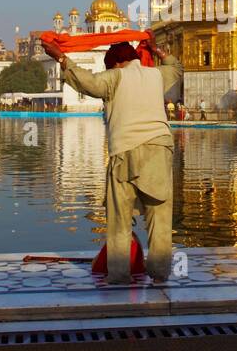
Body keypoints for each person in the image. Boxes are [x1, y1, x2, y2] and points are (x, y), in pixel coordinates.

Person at [42, 35, 182, 283]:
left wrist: (62, 58)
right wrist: (157, 49)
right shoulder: (157, 75)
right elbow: (176, 68)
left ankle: (119, 276)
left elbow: (88, 83)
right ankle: (160, 274)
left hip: (125, 152)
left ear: (116, 63)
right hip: (159, 151)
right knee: (159, 218)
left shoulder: (115, 77)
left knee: (119, 220)